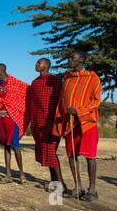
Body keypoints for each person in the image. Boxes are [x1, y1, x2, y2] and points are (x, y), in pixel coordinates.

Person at [53, 50, 101, 202]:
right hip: (70, 124)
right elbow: (62, 101)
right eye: (69, 57)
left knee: (90, 156)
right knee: (72, 156)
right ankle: (78, 187)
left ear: (82, 60)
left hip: (86, 123)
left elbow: (96, 101)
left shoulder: (92, 78)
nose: (69, 60)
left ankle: (92, 190)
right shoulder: (67, 78)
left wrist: (79, 111)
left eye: (72, 58)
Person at [28, 58, 65, 191]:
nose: (36, 64)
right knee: (48, 153)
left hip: (52, 122)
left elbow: (61, 101)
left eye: (39, 63)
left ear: (47, 66)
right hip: (38, 122)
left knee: (51, 153)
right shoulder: (34, 82)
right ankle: (54, 182)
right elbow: (32, 103)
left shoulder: (55, 81)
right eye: (36, 62)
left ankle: (61, 185)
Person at [0, 64, 29, 184]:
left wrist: (9, 110)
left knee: (15, 145)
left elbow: (25, 95)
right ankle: (8, 174)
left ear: (2, 70)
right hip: (1, 119)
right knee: (6, 145)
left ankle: (22, 174)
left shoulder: (15, 83)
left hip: (13, 118)